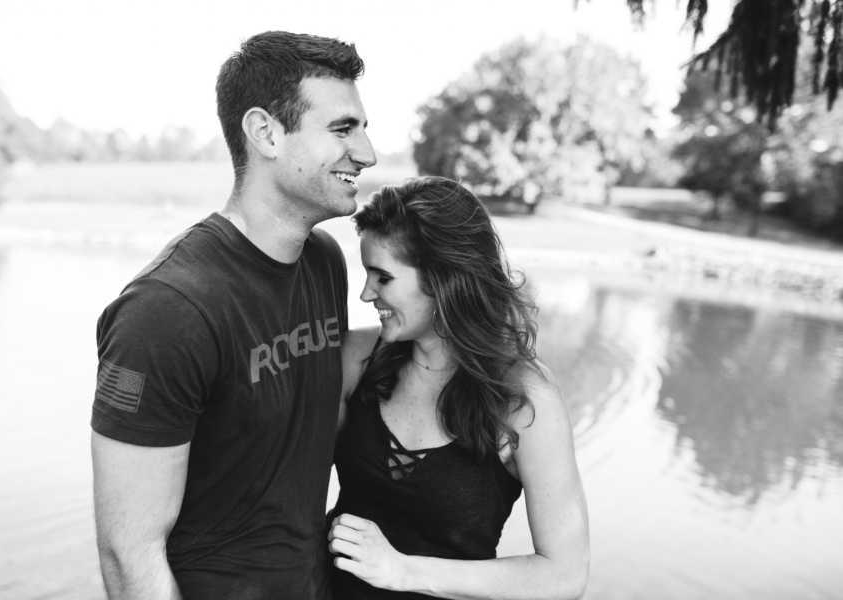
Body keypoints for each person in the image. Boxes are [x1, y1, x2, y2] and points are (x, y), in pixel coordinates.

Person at [90, 31, 376, 600]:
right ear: (265, 133)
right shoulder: (165, 310)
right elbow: (129, 554)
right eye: (343, 129)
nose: (367, 153)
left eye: (362, 130)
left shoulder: (324, 261)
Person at [328, 177, 589, 599]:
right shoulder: (355, 358)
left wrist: (403, 571)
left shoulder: (524, 400)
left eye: (383, 278)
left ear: (442, 279)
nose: (364, 293)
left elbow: (564, 575)